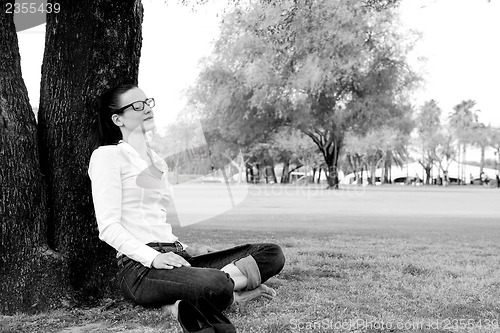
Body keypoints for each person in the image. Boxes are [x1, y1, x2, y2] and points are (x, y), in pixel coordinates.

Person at [88, 84, 285, 317]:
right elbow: (108, 227)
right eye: (137, 106)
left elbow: (156, 218)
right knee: (216, 283)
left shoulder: (158, 161)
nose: (147, 109)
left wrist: (187, 248)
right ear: (117, 119)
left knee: (271, 254)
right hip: (140, 268)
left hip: (178, 256)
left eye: (148, 102)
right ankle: (233, 293)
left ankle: (194, 297)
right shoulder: (108, 156)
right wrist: (154, 258)